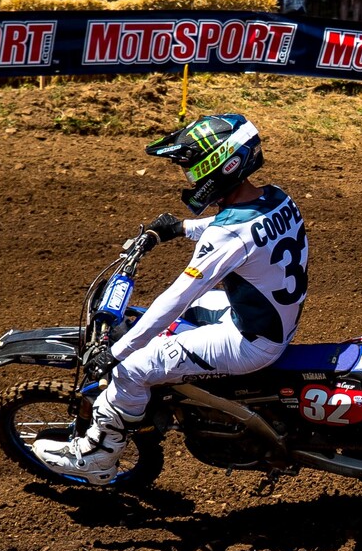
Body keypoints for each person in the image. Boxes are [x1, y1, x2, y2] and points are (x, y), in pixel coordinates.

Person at [35, 115, 308, 485]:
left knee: (132, 368)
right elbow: (239, 229)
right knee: (158, 322)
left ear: (220, 166)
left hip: (251, 343)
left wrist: (117, 352)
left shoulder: (228, 235)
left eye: (192, 169)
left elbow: (177, 297)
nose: (190, 178)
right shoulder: (277, 198)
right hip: (271, 319)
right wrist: (180, 228)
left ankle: (98, 457)